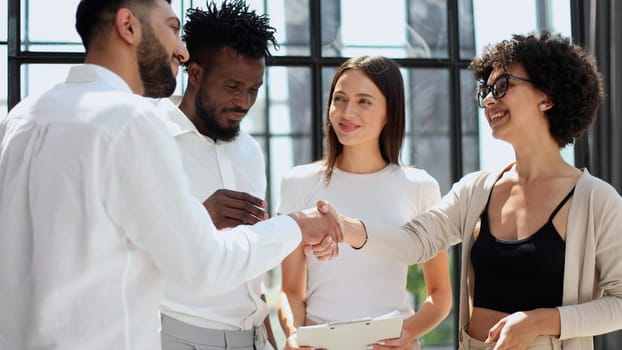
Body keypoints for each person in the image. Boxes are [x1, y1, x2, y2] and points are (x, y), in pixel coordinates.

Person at [0, 1, 345, 349]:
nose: (181, 50)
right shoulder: (131, 121)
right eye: (172, 28)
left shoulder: (21, 118)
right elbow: (203, 264)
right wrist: (297, 226)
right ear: (128, 26)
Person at [330, 32, 622, 350]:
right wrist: (344, 227)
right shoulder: (476, 190)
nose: (488, 100)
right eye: (485, 90)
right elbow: (416, 242)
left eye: (502, 86)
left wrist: (539, 321)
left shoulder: (596, 200)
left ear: (547, 97)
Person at [277, 56, 452, 350]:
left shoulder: (420, 186)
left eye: (364, 101)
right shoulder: (298, 183)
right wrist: (295, 334)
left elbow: (440, 293)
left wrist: (408, 332)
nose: (347, 112)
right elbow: (291, 291)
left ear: (389, 113)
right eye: (340, 99)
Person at [155, 1, 282, 349]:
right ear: (195, 73)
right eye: (232, 86)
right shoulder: (152, 140)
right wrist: (201, 216)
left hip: (254, 337)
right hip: (177, 335)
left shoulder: (251, 152)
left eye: (254, 89)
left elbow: (252, 270)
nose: (244, 101)